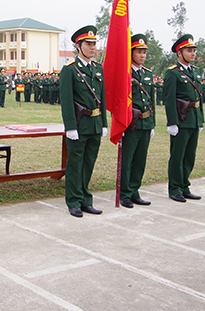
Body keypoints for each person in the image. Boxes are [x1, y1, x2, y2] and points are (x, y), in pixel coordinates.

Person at [59, 25, 108, 218]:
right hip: (79, 125)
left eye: (94, 44)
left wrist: (104, 123)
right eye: (88, 44)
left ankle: (86, 200)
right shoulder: (70, 70)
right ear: (78, 46)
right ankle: (73, 201)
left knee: (89, 163)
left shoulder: (98, 68)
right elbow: (66, 101)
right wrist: (70, 127)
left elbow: (102, 98)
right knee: (75, 164)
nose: (92, 47)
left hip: (95, 124)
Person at [163, 34, 204, 203]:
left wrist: (200, 119)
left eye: (194, 50)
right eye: (189, 50)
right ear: (179, 53)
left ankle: (185, 186)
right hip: (181, 119)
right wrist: (172, 122)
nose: (193, 53)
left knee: (189, 155)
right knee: (178, 155)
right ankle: (175, 188)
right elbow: (169, 99)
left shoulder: (195, 71)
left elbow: (199, 97)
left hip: (194, 119)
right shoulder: (172, 73)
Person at [120, 34, 155, 208]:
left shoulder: (148, 74)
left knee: (140, 159)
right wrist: (121, 124)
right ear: (131, 53)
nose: (142, 55)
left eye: (144, 52)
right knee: (128, 160)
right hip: (131, 123)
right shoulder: (124, 73)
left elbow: (152, 101)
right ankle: (125, 193)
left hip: (146, 123)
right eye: (139, 52)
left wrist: (153, 124)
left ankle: (135, 191)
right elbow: (120, 100)